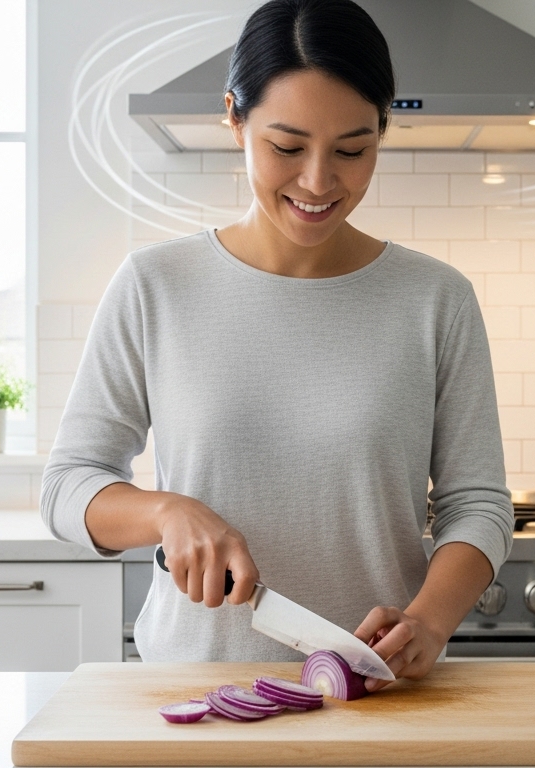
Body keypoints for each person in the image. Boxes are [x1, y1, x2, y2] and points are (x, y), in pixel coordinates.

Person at [41, 0, 511, 691]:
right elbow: (67, 487)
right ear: (234, 118)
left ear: (383, 131)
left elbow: (478, 503)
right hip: (197, 693)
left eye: (353, 150)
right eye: (286, 147)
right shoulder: (156, 285)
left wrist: (431, 619)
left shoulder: (436, 299)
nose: (319, 182)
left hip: (376, 695)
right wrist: (167, 511)